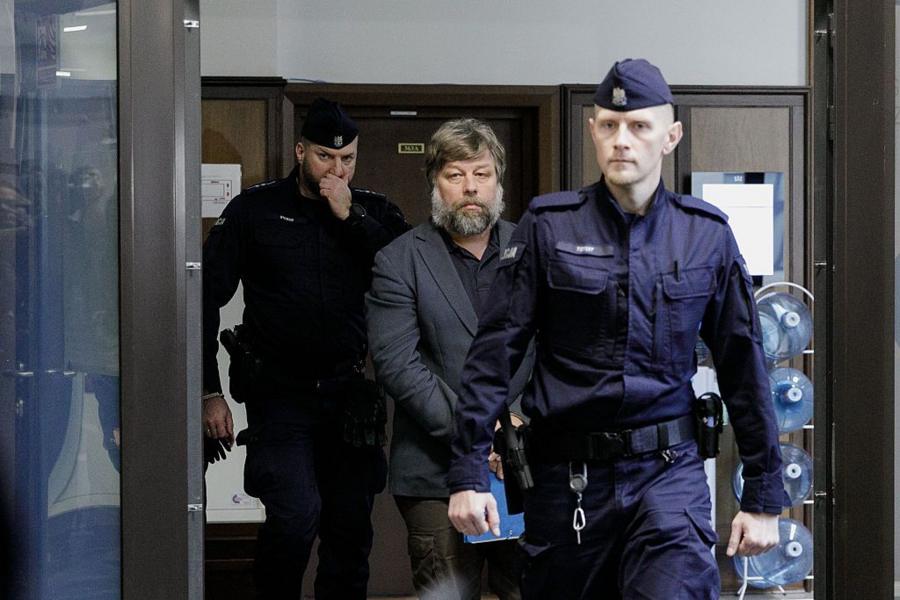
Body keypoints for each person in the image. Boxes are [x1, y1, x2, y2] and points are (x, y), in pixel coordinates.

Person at [447, 59, 783, 599]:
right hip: (568, 481)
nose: (621, 139)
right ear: (593, 131)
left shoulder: (705, 236)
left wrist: (764, 495)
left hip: (668, 476)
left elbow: (744, 368)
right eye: (609, 125)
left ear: (671, 137)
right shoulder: (548, 227)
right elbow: (493, 356)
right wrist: (468, 474)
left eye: (639, 126)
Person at [201, 98, 409, 599]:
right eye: (324, 157)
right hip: (279, 395)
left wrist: (352, 216)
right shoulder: (254, 210)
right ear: (300, 152)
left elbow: (408, 278)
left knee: (350, 529)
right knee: (294, 518)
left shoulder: (375, 210)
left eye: (347, 159)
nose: (336, 170)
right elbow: (203, 297)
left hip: (348, 393)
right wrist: (208, 390)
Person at [366, 119, 532, 600]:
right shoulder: (399, 260)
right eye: (455, 175)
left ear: (498, 182)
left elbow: (560, 352)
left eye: (482, 174)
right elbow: (398, 365)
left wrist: (518, 421)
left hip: (526, 464)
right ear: (435, 183)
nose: (470, 187)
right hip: (435, 475)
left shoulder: (534, 251)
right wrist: (482, 431)